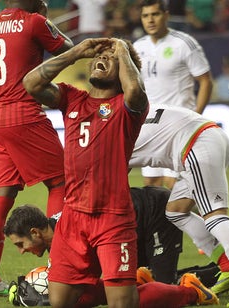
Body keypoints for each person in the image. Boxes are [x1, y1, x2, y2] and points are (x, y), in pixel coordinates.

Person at [22, 38, 148, 308]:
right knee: (60, 302)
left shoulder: (128, 109)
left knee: (122, 304)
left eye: (110, 58)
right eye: (99, 56)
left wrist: (122, 50)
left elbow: (135, 89)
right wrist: (76, 52)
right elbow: (31, 84)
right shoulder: (72, 98)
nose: (102, 59)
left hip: (113, 219)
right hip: (73, 219)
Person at [0, 0, 73, 299]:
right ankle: (59, 267)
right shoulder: (33, 21)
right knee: (60, 182)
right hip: (24, 114)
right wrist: (46, 19)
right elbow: (68, 49)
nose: (43, 1)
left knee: (0, 198)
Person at [129, 104, 229, 307]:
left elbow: (114, 182)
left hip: (196, 144)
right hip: (207, 135)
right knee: (176, 212)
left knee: (215, 216)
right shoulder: (134, 112)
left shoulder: (115, 137)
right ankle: (228, 268)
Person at [3, 202, 219, 307]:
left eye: (20, 244)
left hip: (150, 215)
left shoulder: (66, 235)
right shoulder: (58, 235)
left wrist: (47, 296)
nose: (21, 251)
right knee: (94, 294)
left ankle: (193, 290)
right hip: (126, 224)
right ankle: (138, 280)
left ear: (35, 232)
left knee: (132, 300)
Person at [133, 0, 213, 189]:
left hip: (178, 126)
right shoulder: (136, 47)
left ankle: (204, 212)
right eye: (145, 16)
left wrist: (196, 115)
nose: (150, 20)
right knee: (151, 185)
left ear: (166, 16)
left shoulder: (184, 43)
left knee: (172, 186)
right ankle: (201, 210)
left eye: (155, 14)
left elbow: (205, 81)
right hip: (149, 126)